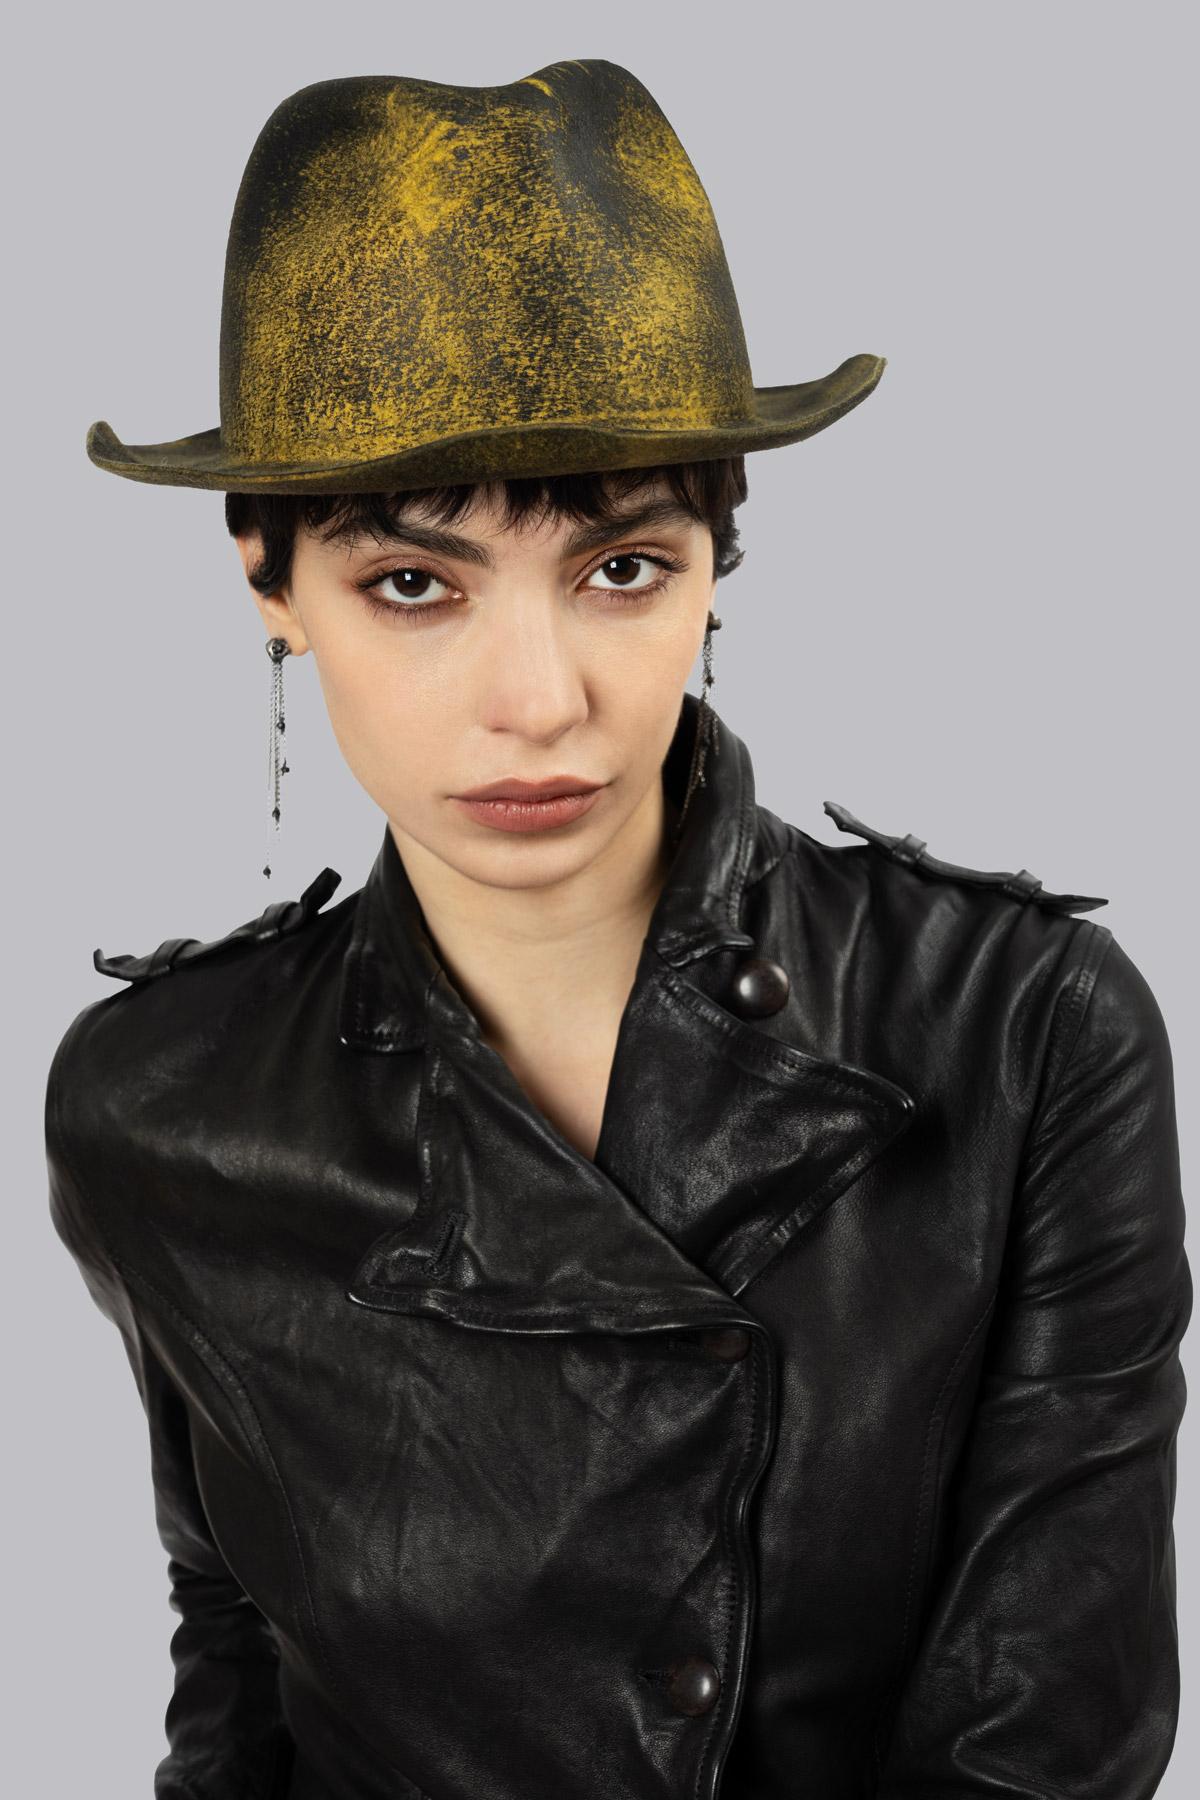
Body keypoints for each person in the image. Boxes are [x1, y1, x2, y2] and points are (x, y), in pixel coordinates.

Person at [47, 58, 1190, 1800]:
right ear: (270, 583)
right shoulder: (157, 1101)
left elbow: (1049, 1738)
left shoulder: (1023, 1028)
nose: (539, 702)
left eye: (622, 570)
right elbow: (242, 1653)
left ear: (718, 561)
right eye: (412, 584)